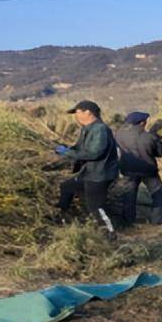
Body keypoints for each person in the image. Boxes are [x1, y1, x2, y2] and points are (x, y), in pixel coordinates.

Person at [54, 100, 119, 237]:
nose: (76, 116)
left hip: (99, 174)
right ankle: (60, 217)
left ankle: (110, 233)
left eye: (77, 112)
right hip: (89, 172)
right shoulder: (87, 129)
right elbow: (80, 148)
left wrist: (67, 153)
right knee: (67, 187)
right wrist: (66, 148)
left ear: (88, 112)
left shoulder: (100, 129)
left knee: (96, 206)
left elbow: (94, 153)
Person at [116, 111, 162, 224]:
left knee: (129, 195)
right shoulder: (150, 137)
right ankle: (157, 220)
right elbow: (161, 153)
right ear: (143, 123)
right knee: (158, 194)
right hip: (148, 171)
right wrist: (157, 138)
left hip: (128, 170)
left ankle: (128, 221)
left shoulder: (119, 134)